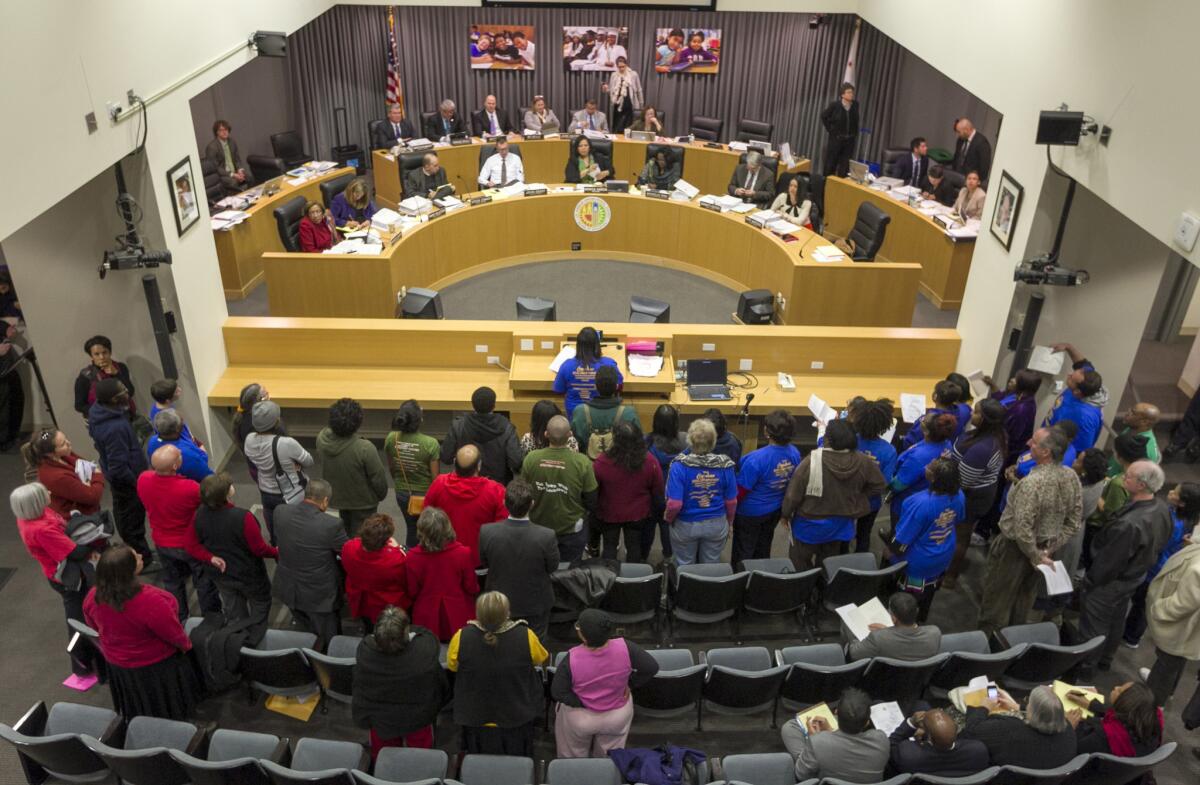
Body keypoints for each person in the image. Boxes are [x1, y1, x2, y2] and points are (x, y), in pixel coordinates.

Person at [977, 428, 1081, 636]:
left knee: (996, 601)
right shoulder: (1071, 477)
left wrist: (1034, 555)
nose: (1027, 443)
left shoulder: (1032, 484)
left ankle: (986, 647)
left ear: (1046, 452)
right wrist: (1047, 550)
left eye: (1034, 442)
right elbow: (1074, 521)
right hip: (1044, 551)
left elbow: (1022, 528)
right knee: (1023, 600)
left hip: (1014, 551)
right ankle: (1012, 643)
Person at [1078, 461, 1173, 677]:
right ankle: (1105, 659)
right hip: (1135, 576)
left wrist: (1090, 582)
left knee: (1093, 626)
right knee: (1116, 618)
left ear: (1141, 485)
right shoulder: (1161, 508)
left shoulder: (1130, 524)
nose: (1122, 478)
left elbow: (1108, 562)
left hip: (1110, 581)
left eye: (1128, 476)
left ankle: (1084, 671)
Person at [83, 545, 201, 719]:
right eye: (136, 557)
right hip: (156, 666)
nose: (140, 556)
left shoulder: (93, 597)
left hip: (119, 664)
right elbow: (173, 634)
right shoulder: (152, 601)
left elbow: (93, 625)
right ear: (128, 571)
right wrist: (186, 646)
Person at [13, 482, 102, 678]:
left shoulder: (36, 514)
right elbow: (76, 552)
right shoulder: (41, 530)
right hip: (68, 579)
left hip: (66, 572)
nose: (50, 492)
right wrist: (96, 537)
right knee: (78, 621)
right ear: (35, 502)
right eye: (45, 493)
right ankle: (81, 664)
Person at [448, 591, 548, 755]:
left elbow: (453, 667)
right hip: (516, 714)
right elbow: (539, 659)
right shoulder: (526, 635)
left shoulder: (461, 637)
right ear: (507, 613)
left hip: (475, 715)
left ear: (478, 613)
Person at [551, 609, 659, 757]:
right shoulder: (626, 647)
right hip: (616, 717)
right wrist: (630, 684)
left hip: (581, 719)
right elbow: (651, 667)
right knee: (609, 757)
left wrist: (582, 703)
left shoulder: (571, 658)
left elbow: (558, 692)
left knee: (572, 756)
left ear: (582, 635)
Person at [783, 420, 887, 570]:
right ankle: (823, 588)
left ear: (827, 439)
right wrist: (858, 498)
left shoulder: (810, 462)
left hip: (809, 525)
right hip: (840, 525)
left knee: (799, 562)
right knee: (828, 563)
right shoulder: (863, 461)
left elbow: (792, 496)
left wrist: (785, 514)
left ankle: (804, 588)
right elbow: (879, 485)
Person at [138, 444, 223, 620]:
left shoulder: (143, 480)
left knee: (173, 582)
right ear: (175, 466)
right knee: (203, 581)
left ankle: (180, 617)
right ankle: (212, 617)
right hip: (189, 544)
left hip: (161, 543)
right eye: (179, 456)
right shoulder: (190, 488)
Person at [353, 607, 446, 758]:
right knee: (421, 758)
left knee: (385, 758)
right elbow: (427, 634)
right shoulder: (425, 651)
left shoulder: (365, 652)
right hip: (417, 718)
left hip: (381, 719)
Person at [193, 473, 275, 640]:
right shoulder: (243, 517)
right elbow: (259, 549)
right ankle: (257, 641)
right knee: (260, 606)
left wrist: (209, 557)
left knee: (234, 611)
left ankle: (238, 643)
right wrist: (277, 552)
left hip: (221, 575)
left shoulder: (199, 514)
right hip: (248, 574)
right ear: (225, 494)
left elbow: (192, 543)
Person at [885, 458, 965, 620]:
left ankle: (903, 629)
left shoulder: (918, 503)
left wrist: (890, 552)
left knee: (906, 605)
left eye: (929, 467)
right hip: (942, 556)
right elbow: (959, 519)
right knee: (927, 596)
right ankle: (921, 619)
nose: (926, 466)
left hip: (918, 564)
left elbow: (902, 540)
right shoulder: (959, 495)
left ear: (933, 478)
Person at [272, 479, 348, 648]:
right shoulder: (331, 524)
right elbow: (347, 553)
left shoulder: (280, 512)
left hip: (289, 588)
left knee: (305, 634)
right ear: (325, 501)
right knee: (330, 640)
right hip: (319, 595)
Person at [479, 479, 559, 638]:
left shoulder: (487, 532)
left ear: (504, 503)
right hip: (535, 602)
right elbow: (553, 567)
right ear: (532, 504)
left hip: (499, 603)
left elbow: (484, 562)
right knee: (535, 645)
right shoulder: (546, 536)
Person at [1123, 481, 1197, 648]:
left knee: (1142, 605)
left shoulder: (1175, 524)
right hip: (1160, 566)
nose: (1169, 492)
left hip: (1154, 568)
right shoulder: (1185, 518)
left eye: (1174, 493)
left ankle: (1131, 637)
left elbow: (1158, 544)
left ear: (1182, 503)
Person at [942, 400, 1006, 586]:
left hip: (971, 497)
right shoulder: (983, 435)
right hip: (965, 489)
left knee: (961, 534)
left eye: (977, 413)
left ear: (986, 419)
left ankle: (950, 576)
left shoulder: (983, 448)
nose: (972, 415)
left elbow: (963, 481)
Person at [88, 379, 152, 562]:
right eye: (123, 391)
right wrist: (137, 483)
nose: (127, 392)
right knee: (132, 522)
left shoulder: (102, 412)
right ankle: (142, 559)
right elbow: (118, 467)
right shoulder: (114, 427)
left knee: (128, 518)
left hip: (124, 480)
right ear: (114, 399)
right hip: (128, 483)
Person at [523, 416, 598, 562]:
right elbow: (592, 499)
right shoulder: (583, 462)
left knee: (541, 567)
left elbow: (523, 493)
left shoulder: (531, 459)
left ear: (546, 434)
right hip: (572, 529)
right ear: (570, 435)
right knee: (570, 572)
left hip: (538, 528)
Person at [665, 418, 737, 566]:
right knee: (710, 566)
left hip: (686, 524)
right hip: (716, 524)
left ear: (689, 440)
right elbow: (731, 501)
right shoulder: (725, 465)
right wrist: (729, 523)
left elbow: (674, 504)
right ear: (714, 441)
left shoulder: (679, 466)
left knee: (684, 565)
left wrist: (669, 518)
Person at [733, 410, 801, 562]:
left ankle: (741, 580)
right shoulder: (795, 453)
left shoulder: (755, 459)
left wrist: (729, 513)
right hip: (775, 510)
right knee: (764, 547)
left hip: (749, 513)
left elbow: (740, 491)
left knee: (743, 550)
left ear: (767, 432)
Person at [781, 687, 888, 782]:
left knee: (789, 728)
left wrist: (814, 739)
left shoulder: (817, 742)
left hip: (821, 775)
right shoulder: (882, 739)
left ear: (836, 713)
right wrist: (828, 733)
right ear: (867, 722)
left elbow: (800, 775)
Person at [405, 506, 480, 642]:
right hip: (458, 614)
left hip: (426, 617)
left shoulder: (412, 557)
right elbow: (471, 587)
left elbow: (412, 591)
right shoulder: (463, 553)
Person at [316, 397, 389, 537]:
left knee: (346, 531)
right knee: (365, 538)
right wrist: (380, 495)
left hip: (338, 497)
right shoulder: (365, 448)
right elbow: (378, 479)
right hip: (364, 502)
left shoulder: (322, 439)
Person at [1143, 532, 1200, 706]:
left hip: (1182, 625)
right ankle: (1167, 691)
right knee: (1174, 660)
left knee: (1167, 663)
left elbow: (1183, 603)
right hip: (1187, 629)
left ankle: (1151, 705)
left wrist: (1159, 609)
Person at [593, 422, 663, 562]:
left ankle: (608, 579)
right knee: (634, 546)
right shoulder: (650, 461)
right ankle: (633, 578)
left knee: (609, 546)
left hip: (609, 512)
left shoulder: (601, 462)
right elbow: (658, 489)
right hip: (638, 513)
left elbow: (594, 489)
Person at [424, 445, 507, 565]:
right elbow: (501, 528)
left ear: (454, 463)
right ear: (479, 465)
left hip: (445, 556)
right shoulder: (495, 490)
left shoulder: (439, 484)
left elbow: (426, 516)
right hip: (479, 560)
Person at [960, 685, 1077, 770]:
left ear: (1032, 713)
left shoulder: (1010, 730)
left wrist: (984, 708)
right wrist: (1017, 706)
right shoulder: (1070, 734)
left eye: (1028, 703)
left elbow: (972, 729)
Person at [244, 400, 313, 541]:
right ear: (276, 422)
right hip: (291, 493)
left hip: (265, 492)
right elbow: (309, 461)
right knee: (297, 530)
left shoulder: (249, 440)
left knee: (275, 531)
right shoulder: (286, 443)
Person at [845, 397, 898, 553]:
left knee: (843, 531)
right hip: (871, 502)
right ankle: (861, 566)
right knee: (864, 534)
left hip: (847, 497)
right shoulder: (888, 451)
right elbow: (885, 482)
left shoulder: (849, 441)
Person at [385, 399, 440, 547]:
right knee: (428, 530)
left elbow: (392, 468)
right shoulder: (431, 443)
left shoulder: (392, 438)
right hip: (425, 494)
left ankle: (411, 559)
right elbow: (435, 478)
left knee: (411, 528)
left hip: (402, 491)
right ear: (419, 420)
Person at [440, 386, 522, 484]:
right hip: (497, 487)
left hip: (465, 485)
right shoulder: (507, 427)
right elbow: (516, 462)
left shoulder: (458, 425)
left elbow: (446, 457)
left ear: (473, 405)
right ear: (494, 406)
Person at [342, 513, 408, 634]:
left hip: (361, 601)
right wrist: (398, 548)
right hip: (385, 605)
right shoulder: (395, 560)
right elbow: (404, 580)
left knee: (368, 627)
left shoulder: (349, 547)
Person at [889, 413, 957, 523]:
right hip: (928, 495)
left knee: (899, 530)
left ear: (926, 431)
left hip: (907, 503)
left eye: (923, 420)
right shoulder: (946, 444)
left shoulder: (918, 457)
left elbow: (898, 485)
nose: (921, 420)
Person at [1065, 682, 1162, 757]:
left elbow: (1070, 752)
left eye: (1120, 691)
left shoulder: (1102, 738)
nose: (1116, 687)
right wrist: (1091, 705)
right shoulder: (1152, 724)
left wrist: (1068, 727)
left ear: (1124, 703)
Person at [23, 428, 105, 517]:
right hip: (78, 519)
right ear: (50, 453)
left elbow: (85, 465)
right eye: (63, 444)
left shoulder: (64, 454)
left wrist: (89, 482)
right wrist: (97, 475)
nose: (69, 443)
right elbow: (93, 496)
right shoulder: (56, 477)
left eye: (65, 439)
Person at [889, 708, 989, 778]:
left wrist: (911, 723)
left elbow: (890, 746)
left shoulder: (908, 755)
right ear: (957, 729)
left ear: (929, 737)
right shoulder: (978, 751)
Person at [1043, 341, 1106, 452]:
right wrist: (1068, 347)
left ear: (1077, 392)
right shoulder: (1089, 381)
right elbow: (1082, 364)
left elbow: (1079, 451)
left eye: (1071, 378)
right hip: (1047, 436)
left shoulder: (1086, 418)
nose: (1069, 375)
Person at [846, 592, 942, 661]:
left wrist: (855, 635)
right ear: (916, 611)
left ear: (893, 619)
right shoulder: (935, 633)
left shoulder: (878, 638)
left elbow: (854, 654)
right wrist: (887, 631)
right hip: (914, 682)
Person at [644, 404, 684, 561]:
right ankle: (668, 555)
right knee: (668, 526)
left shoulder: (645, 443)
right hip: (672, 495)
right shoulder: (685, 443)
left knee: (647, 529)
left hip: (650, 495)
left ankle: (643, 557)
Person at [554, 327, 622, 418]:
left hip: (575, 418)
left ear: (578, 345)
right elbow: (619, 386)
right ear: (597, 345)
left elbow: (558, 390)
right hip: (602, 415)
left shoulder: (566, 365)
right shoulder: (609, 364)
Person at [572, 365, 640, 454]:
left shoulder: (579, 412)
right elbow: (638, 443)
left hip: (587, 463)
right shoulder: (628, 413)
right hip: (618, 464)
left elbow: (574, 442)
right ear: (616, 387)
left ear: (595, 386)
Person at [984, 368, 1042, 467]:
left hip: (1007, 455)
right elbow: (1000, 399)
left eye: (1016, 379)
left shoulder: (1022, 409)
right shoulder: (1021, 398)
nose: (1012, 380)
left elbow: (1013, 438)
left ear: (1021, 385)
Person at [74, 335, 136, 417]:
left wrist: (117, 374)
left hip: (126, 415)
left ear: (110, 352)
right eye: (97, 354)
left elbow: (130, 392)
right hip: (102, 420)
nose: (102, 357)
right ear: (91, 356)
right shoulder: (85, 376)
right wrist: (103, 411)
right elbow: (79, 405)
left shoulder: (120, 367)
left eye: (104, 352)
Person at [146, 408, 212, 482]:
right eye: (182, 422)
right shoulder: (185, 455)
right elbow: (207, 476)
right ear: (177, 429)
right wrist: (202, 449)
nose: (183, 422)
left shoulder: (152, 441)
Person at [902, 379, 965, 449]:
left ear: (935, 396)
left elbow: (909, 442)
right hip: (946, 450)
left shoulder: (927, 420)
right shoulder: (961, 413)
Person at [231, 383, 271, 479]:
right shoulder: (255, 426)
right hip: (265, 472)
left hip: (256, 468)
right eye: (266, 394)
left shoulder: (243, 418)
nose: (269, 396)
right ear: (260, 401)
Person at [1110, 402, 1162, 474]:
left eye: (1133, 413)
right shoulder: (1132, 428)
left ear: (1144, 422)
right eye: (1130, 410)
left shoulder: (1148, 450)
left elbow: (1135, 476)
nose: (1127, 414)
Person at [148, 377, 200, 448]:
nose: (180, 390)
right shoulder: (165, 419)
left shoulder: (163, 404)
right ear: (167, 400)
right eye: (176, 391)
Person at [820, 82, 859, 177]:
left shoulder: (855, 105)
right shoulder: (835, 105)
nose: (851, 94)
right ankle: (826, 185)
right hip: (836, 140)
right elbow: (823, 116)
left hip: (849, 141)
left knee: (844, 167)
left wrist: (854, 134)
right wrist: (830, 130)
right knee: (831, 165)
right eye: (848, 92)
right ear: (842, 94)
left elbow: (856, 120)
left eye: (852, 92)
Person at [203, 119, 251, 193]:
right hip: (222, 176)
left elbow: (237, 159)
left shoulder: (232, 142)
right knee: (233, 182)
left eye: (226, 129)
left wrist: (240, 170)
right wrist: (233, 175)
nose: (224, 132)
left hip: (235, 172)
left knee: (249, 178)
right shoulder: (212, 147)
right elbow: (216, 168)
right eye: (221, 130)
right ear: (217, 132)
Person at [601, 57, 642, 133]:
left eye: (623, 66)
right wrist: (606, 89)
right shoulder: (614, 75)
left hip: (629, 104)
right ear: (617, 66)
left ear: (626, 65)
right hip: (617, 104)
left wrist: (641, 104)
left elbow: (639, 90)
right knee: (617, 126)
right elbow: (612, 91)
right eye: (619, 67)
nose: (621, 68)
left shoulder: (633, 74)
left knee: (628, 126)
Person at [952, 117, 992, 183]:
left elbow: (984, 169)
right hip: (956, 175)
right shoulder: (961, 140)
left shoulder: (982, 143)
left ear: (966, 130)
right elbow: (956, 157)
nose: (957, 135)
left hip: (970, 181)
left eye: (959, 132)